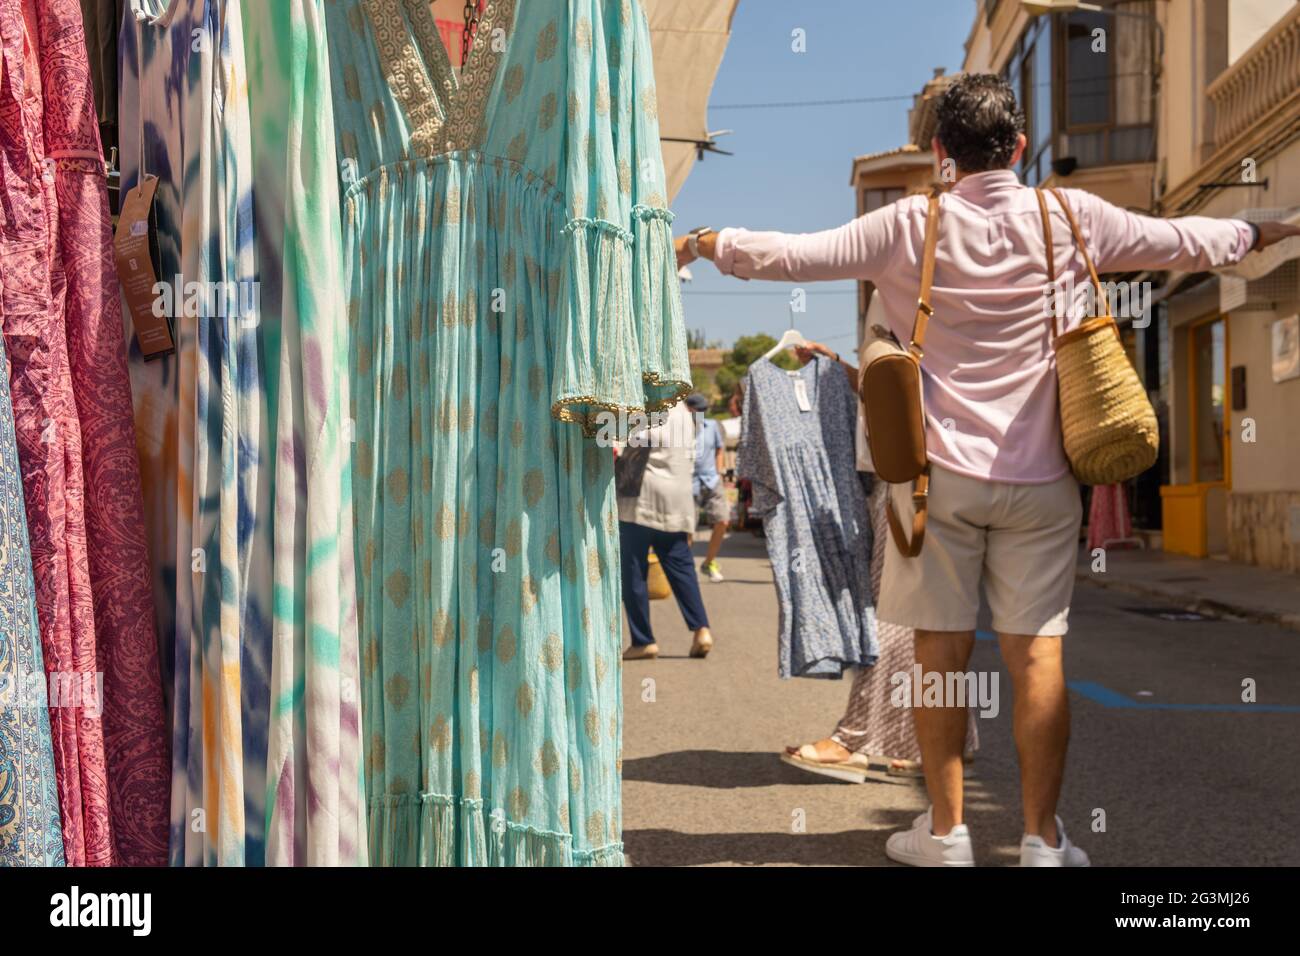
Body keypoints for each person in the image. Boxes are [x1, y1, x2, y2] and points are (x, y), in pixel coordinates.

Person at [675, 73, 1300, 867]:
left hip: (936, 484)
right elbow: (1188, 240)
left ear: (941, 154)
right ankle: (1042, 839)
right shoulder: (1074, 216)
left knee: (940, 655)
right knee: (1037, 654)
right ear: (1021, 146)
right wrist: (1268, 229)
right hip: (1044, 480)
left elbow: (792, 256)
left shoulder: (908, 225)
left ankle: (947, 832)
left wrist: (702, 242)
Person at [617, 400, 716, 661]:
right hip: (679, 501)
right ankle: (701, 630)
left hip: (642, 499)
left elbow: (630, 443)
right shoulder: (686, 414)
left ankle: (643, 640)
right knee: (682, 568)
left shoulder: (647, 408)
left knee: (634, 571)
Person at [685, 393, 730, 582]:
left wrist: (719, 471)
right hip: (688, 482)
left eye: (704, 410)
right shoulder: (680, 428)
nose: (701, 414)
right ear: (689, 410)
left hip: (711, 480)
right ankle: (686, 568)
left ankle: (708, 562)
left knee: (723, 520)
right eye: (698, 411)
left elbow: (720, 449)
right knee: (687, 530)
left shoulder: (712, 427)